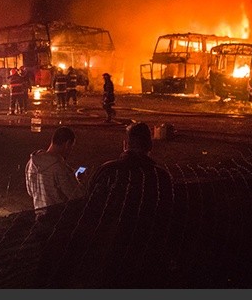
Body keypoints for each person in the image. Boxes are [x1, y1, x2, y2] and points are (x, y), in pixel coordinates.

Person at [84, 121, 175, 287]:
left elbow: (91, 208)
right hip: (147, 252)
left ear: (125, 144)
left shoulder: (108, 171)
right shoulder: (160, 177)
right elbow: (167, 214)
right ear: (150, 146)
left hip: (109, 250)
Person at [25, 126, 87, 218]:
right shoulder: (59, 167)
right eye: (71, 147)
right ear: (67, 144)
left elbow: (30, 191)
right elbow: (76, 196)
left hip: (39, 214)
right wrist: (78, 181)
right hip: (58, 218)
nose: (70, 151)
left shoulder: (31, 162)